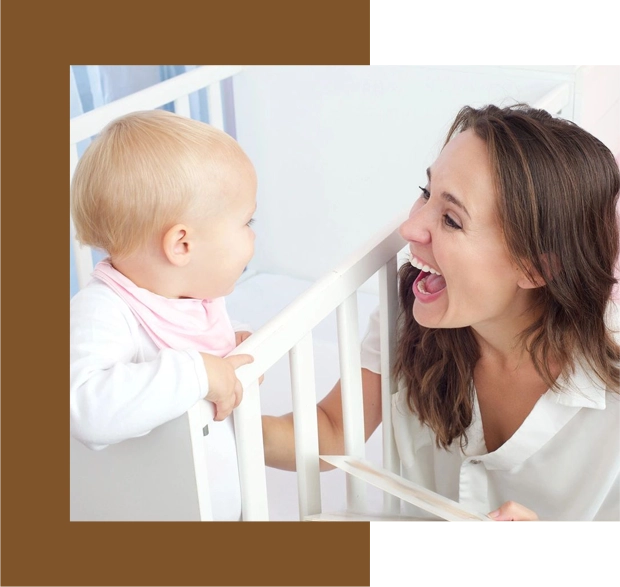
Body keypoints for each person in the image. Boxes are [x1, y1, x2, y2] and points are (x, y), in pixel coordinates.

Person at [262, 104, 620, 522]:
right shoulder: (413, 309)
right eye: (426, 192)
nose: (410, 229)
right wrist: (211, 410)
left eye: (451, 219)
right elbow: (333, 429)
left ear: (535, 267)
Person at [70, 110, 257, 520]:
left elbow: (198, 339)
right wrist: (199, 374)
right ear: (182, 246)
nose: (254, 236)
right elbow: (84, 407)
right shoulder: (103, 309)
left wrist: (233, 350)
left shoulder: (190, 295)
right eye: (247, 221)